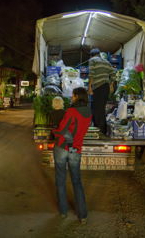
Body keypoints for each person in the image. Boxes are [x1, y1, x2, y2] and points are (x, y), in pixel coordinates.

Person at [52, 87, 92, 224]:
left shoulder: (71, 111)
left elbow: (62, 130)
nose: (71, 97)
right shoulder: (89, 112)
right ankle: (82, 215)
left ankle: (63, 211)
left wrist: (54, 130)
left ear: (76, 96)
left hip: (62, 147)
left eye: (73, 95)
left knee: (61, 179)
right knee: (77, 181)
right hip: (76, 149)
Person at [88, 48, 116, 134]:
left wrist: (89, 87)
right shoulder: (106, 62)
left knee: (97, 110)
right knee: (101, 109)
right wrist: (111, 85)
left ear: (91, 55)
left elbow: (91, 73)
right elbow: (113, 74)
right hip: (106, 87)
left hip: (98, 87)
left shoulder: (92, 60)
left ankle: (100, 130)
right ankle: (101, 129)